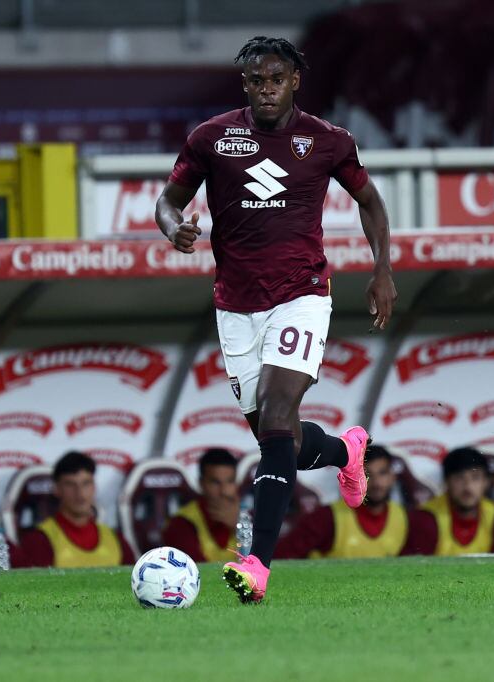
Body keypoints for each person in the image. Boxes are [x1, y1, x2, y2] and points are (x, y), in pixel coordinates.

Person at [154, 36, 396, 603]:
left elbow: (371, 202)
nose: (266, 89)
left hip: (302, 294)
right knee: (275, 437)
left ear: (294, 82)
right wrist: (174, 228)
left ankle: (258, 564)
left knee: (281, 411)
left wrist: (382, 270)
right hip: (235, 307)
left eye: (276, 79)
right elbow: (168, 201)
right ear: (244, 84)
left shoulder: (327, 140)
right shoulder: (211, 138)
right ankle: (345, 452)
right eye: (256, 80)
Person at [275, 445, 407, 558]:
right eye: (367, 475)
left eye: (382, 473)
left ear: (393, 476)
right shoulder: (325, 518)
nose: (377, 483)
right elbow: (281, 558)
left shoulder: (401, 516)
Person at [16, 452, 134, 568]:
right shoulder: (38, 541)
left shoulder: (116, 539)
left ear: (94, 487)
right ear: (57, 489)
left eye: (85, 483)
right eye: (70, 485)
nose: (80, 493)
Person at [402, 447, 494, 556]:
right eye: (459, 478)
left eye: (475, 478)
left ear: (486, 482)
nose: (468, 486)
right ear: (446, 482)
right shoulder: (427, 517)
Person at [162, 449, 240, 562]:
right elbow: (194, 572)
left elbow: (273, 561)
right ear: (201, 483)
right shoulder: (181, 523)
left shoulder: (249, 517)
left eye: (230, 481)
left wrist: (239, 527)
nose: (224, 491)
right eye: (215, 482)